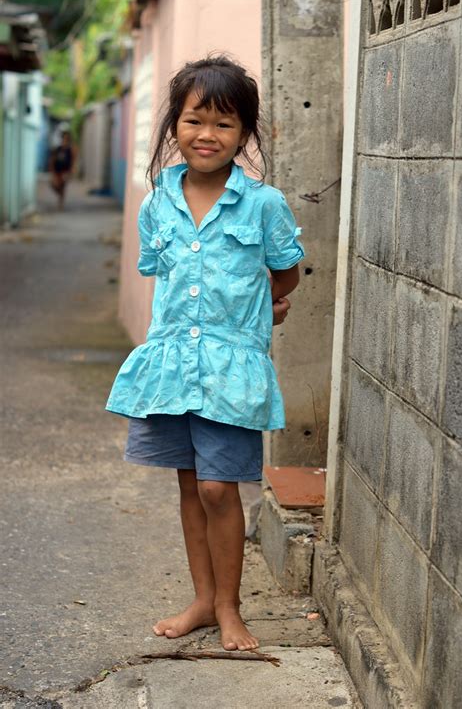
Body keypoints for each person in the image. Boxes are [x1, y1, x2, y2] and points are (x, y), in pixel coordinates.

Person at [106, 56, 304, 651]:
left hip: (230, 371)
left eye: (224, 124)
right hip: (172, 366)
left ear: (245, 134)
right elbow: (165, 278)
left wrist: (258, 308)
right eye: (195, 121)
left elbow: (286, 273)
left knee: (221, 488)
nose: (207, 135)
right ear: (176, 126)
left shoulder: (264, 204)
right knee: (190, 485)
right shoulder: (156, 203)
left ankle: (229, 606)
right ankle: (201, 599)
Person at [49, 131, 74, 208]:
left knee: (62, 186)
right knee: (54, 185)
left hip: (65, 171)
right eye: (64, 138)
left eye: (67, 138)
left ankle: (61, 202)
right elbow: (52, 160)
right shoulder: (58, 149)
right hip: (57, 170)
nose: (65, 140)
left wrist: (71, 171)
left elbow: (72, 160)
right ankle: (60, 196)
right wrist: (52, 170)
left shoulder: (70, 150)